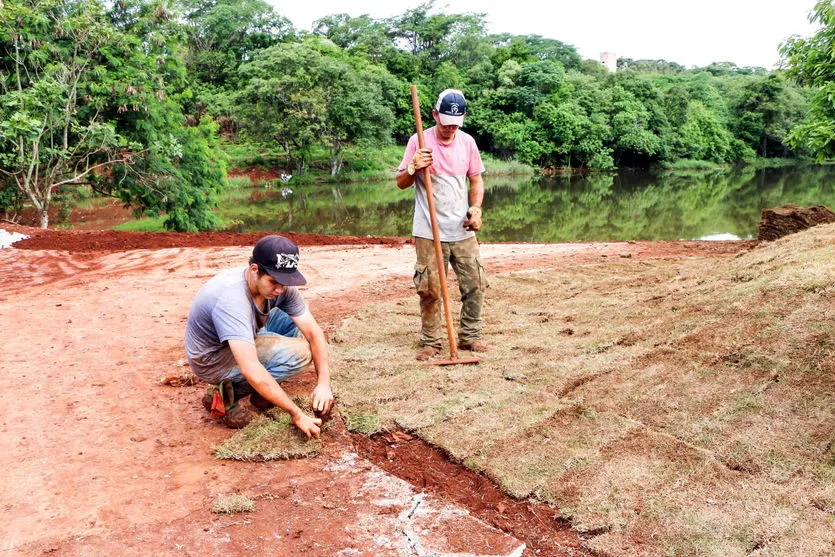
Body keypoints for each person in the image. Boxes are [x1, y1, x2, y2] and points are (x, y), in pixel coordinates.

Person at [185, 235, 334, 436]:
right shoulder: (232, 301)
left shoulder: (279, 287)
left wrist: (324, 384)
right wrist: (296, 413)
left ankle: (264, 393)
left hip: (243, 333)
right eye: (274, 281)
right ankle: (224, 395)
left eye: (285, 281)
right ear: (254, 270)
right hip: (213, 358)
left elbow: (314, 332)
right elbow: (252, 368)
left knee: (297, 322)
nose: (281, 289)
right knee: (300, 354)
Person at [396, 88, 488, 361]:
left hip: (461, 230)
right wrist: (413, 167)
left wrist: (476, 209)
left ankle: (470, 336)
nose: (450, 130)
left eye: (455, 125)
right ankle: (431, 342)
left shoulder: (467, 142)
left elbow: (477, 180)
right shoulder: (419, 140)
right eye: (445, 123)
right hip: (428, 229)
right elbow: (400, 182)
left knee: (476, 283)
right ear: (435, 115)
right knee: (430, 288)